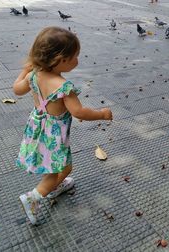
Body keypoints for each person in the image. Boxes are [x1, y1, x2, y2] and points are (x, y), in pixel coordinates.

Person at [13, 26, 113, 225]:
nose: (78, 60)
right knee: (55, 172)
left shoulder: (34, 75)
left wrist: (24, 71)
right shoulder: (64, 88)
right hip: (53, 135)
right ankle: (34, 197)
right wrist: (102, 114)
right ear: (60, 60)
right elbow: (79, 112)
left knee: (65, 167)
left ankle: (54, 189)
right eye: (75, 56)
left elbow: (17, 90)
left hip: (38, 128)